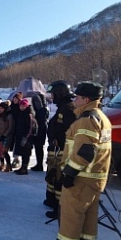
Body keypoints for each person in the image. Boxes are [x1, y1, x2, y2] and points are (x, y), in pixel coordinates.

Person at [46, 81, 111, 240]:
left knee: (71, 217)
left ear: (86, 99)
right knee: (89, 218)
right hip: (95, 178)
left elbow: (85, 152)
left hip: (81, 179)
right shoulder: (101, 117)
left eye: (78, 97)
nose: (74, 100)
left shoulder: (86, 120)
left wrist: (69, 173)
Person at [43, 81, 77, 219]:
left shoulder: (67, 109)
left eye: (53, 94)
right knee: (52, 176)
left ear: (59, 93)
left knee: (58, 179)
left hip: (62, 151)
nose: (51, 96)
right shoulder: (62, 108)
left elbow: (68, 131)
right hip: (56, 150)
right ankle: (51, 201)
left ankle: (59, 209)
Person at [13, 98, 34, 175]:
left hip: (27, 138)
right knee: (22, 152)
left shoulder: (29, 114)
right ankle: (22, 167)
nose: (22, 107)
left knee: (26, 153)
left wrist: (26, 137)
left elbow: (31, 128)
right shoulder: (20, 113)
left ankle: (25, 168)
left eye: (23, 106)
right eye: (20, 106)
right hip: (20, 136)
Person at [0, 100, 14, 171]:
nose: (0, 109)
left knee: (4, 151)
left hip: (6, 136)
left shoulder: (9, 116)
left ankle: (8, 165)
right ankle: (2, 164)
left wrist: (4, 135)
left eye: (1, 108)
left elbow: (10, 127)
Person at [30, 93, 50, 171]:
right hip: (39, 128)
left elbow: (41, 120)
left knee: (39, 147)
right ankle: (39, 164)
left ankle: (39, 164)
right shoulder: (41, 109)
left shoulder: (43, 109)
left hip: (41, 129)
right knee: (38, 147)